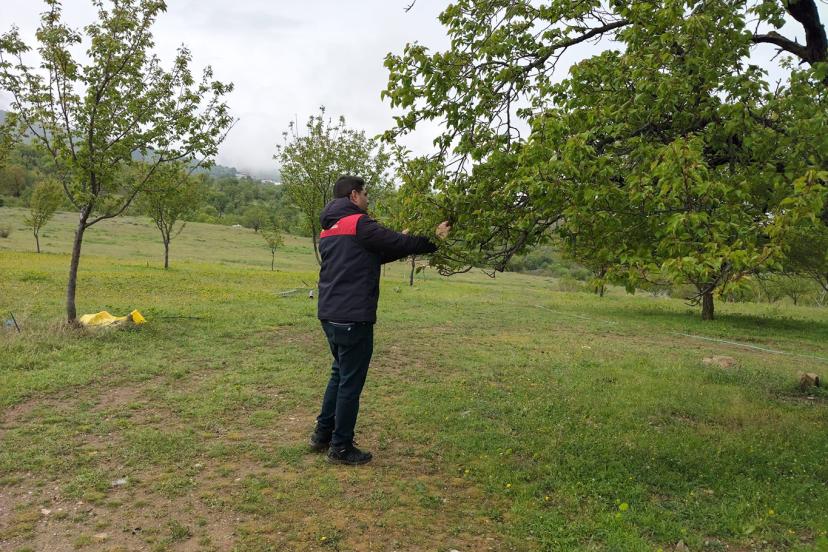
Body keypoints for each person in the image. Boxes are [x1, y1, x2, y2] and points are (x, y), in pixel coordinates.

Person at [310, 175, 451, 465]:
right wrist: (434, 239)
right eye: (364, 194)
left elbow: (370, 255)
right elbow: (397, 242)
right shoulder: (360, 223)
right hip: (353, 317)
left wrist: (398, 241)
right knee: (350, 383)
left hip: (329, 314)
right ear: (353, 196)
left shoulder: (329, 229)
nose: (367, 199)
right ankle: (340, 447)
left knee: (339, 374)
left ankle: (322, 434)